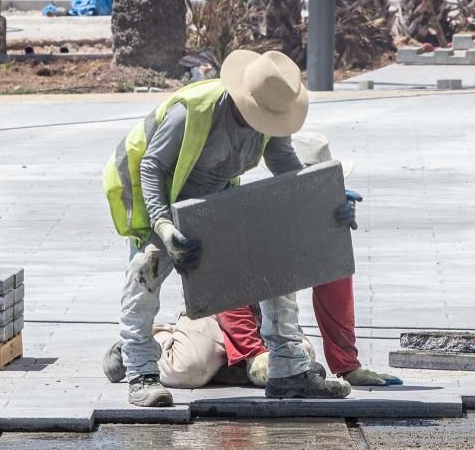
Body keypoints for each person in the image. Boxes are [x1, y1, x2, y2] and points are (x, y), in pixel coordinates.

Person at [102, 50, 358, 407]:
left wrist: (325, 202)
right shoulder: (190, 112)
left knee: (276, 260)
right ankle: (141, 370)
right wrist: (162, 225)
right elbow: (152, 167)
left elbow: (287, 168)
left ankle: (288, 370)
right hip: (159, 197)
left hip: (213, 203)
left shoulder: (270, 119)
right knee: (146, 270)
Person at [102, 133, 403, 390]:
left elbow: (334, 290)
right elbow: (226, 285)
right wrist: (253, 352)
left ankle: (233, 366)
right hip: (217, 312)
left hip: (268, 322)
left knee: (303, 362)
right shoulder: (249, 213)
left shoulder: (325, 215)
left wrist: (348, 366)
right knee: (189, 370)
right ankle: (150, 340)